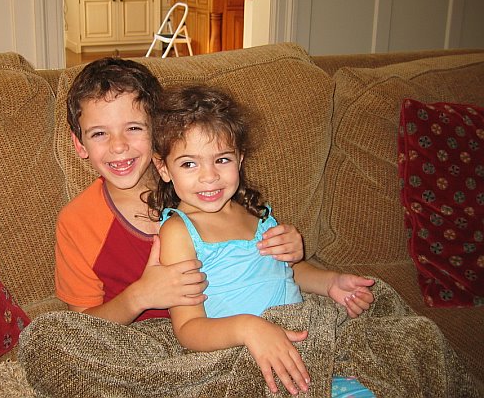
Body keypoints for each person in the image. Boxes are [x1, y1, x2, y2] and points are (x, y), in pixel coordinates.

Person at [147, 84, 376, 397]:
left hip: (300, 341)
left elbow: (284, 271)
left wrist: (330, 282)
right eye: (189, 163)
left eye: (222, 160)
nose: (209, 176)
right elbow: (188, 329)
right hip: (244, 355)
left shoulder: (257, 214)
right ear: (163, 168)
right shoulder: (179, 231)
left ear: (240, 159)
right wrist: (248, 328)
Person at [55, 57, 305, 324]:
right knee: (49, 331)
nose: (118, 146)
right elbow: (81, 326)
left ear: (160, 131)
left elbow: (255, 267)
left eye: (134, 128)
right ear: (79, 144)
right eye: (99, 134)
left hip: (222, 325)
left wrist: (288, 252)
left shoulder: (202, 187)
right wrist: (138, 297)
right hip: (138, 337)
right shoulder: (77, 222)